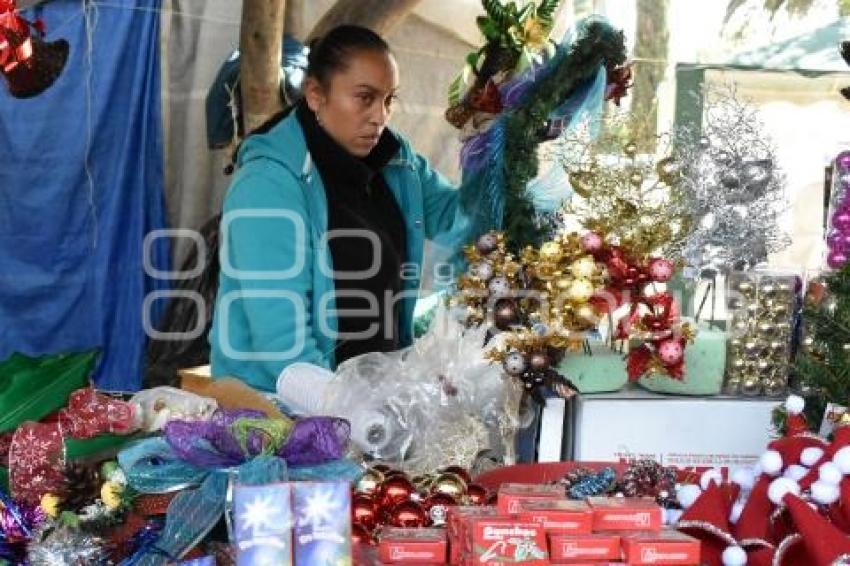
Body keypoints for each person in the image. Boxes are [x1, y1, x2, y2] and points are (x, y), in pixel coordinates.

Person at [209, 25, 471, 392]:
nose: (381, 116)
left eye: (389, 99)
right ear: (315, 94)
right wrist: (346, 412)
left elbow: (462, 223)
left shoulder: (397, 163)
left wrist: (494, 151)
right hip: (283, 407)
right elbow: (282, 343)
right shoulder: (267, 185)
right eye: (365, 98)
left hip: (374, 394)